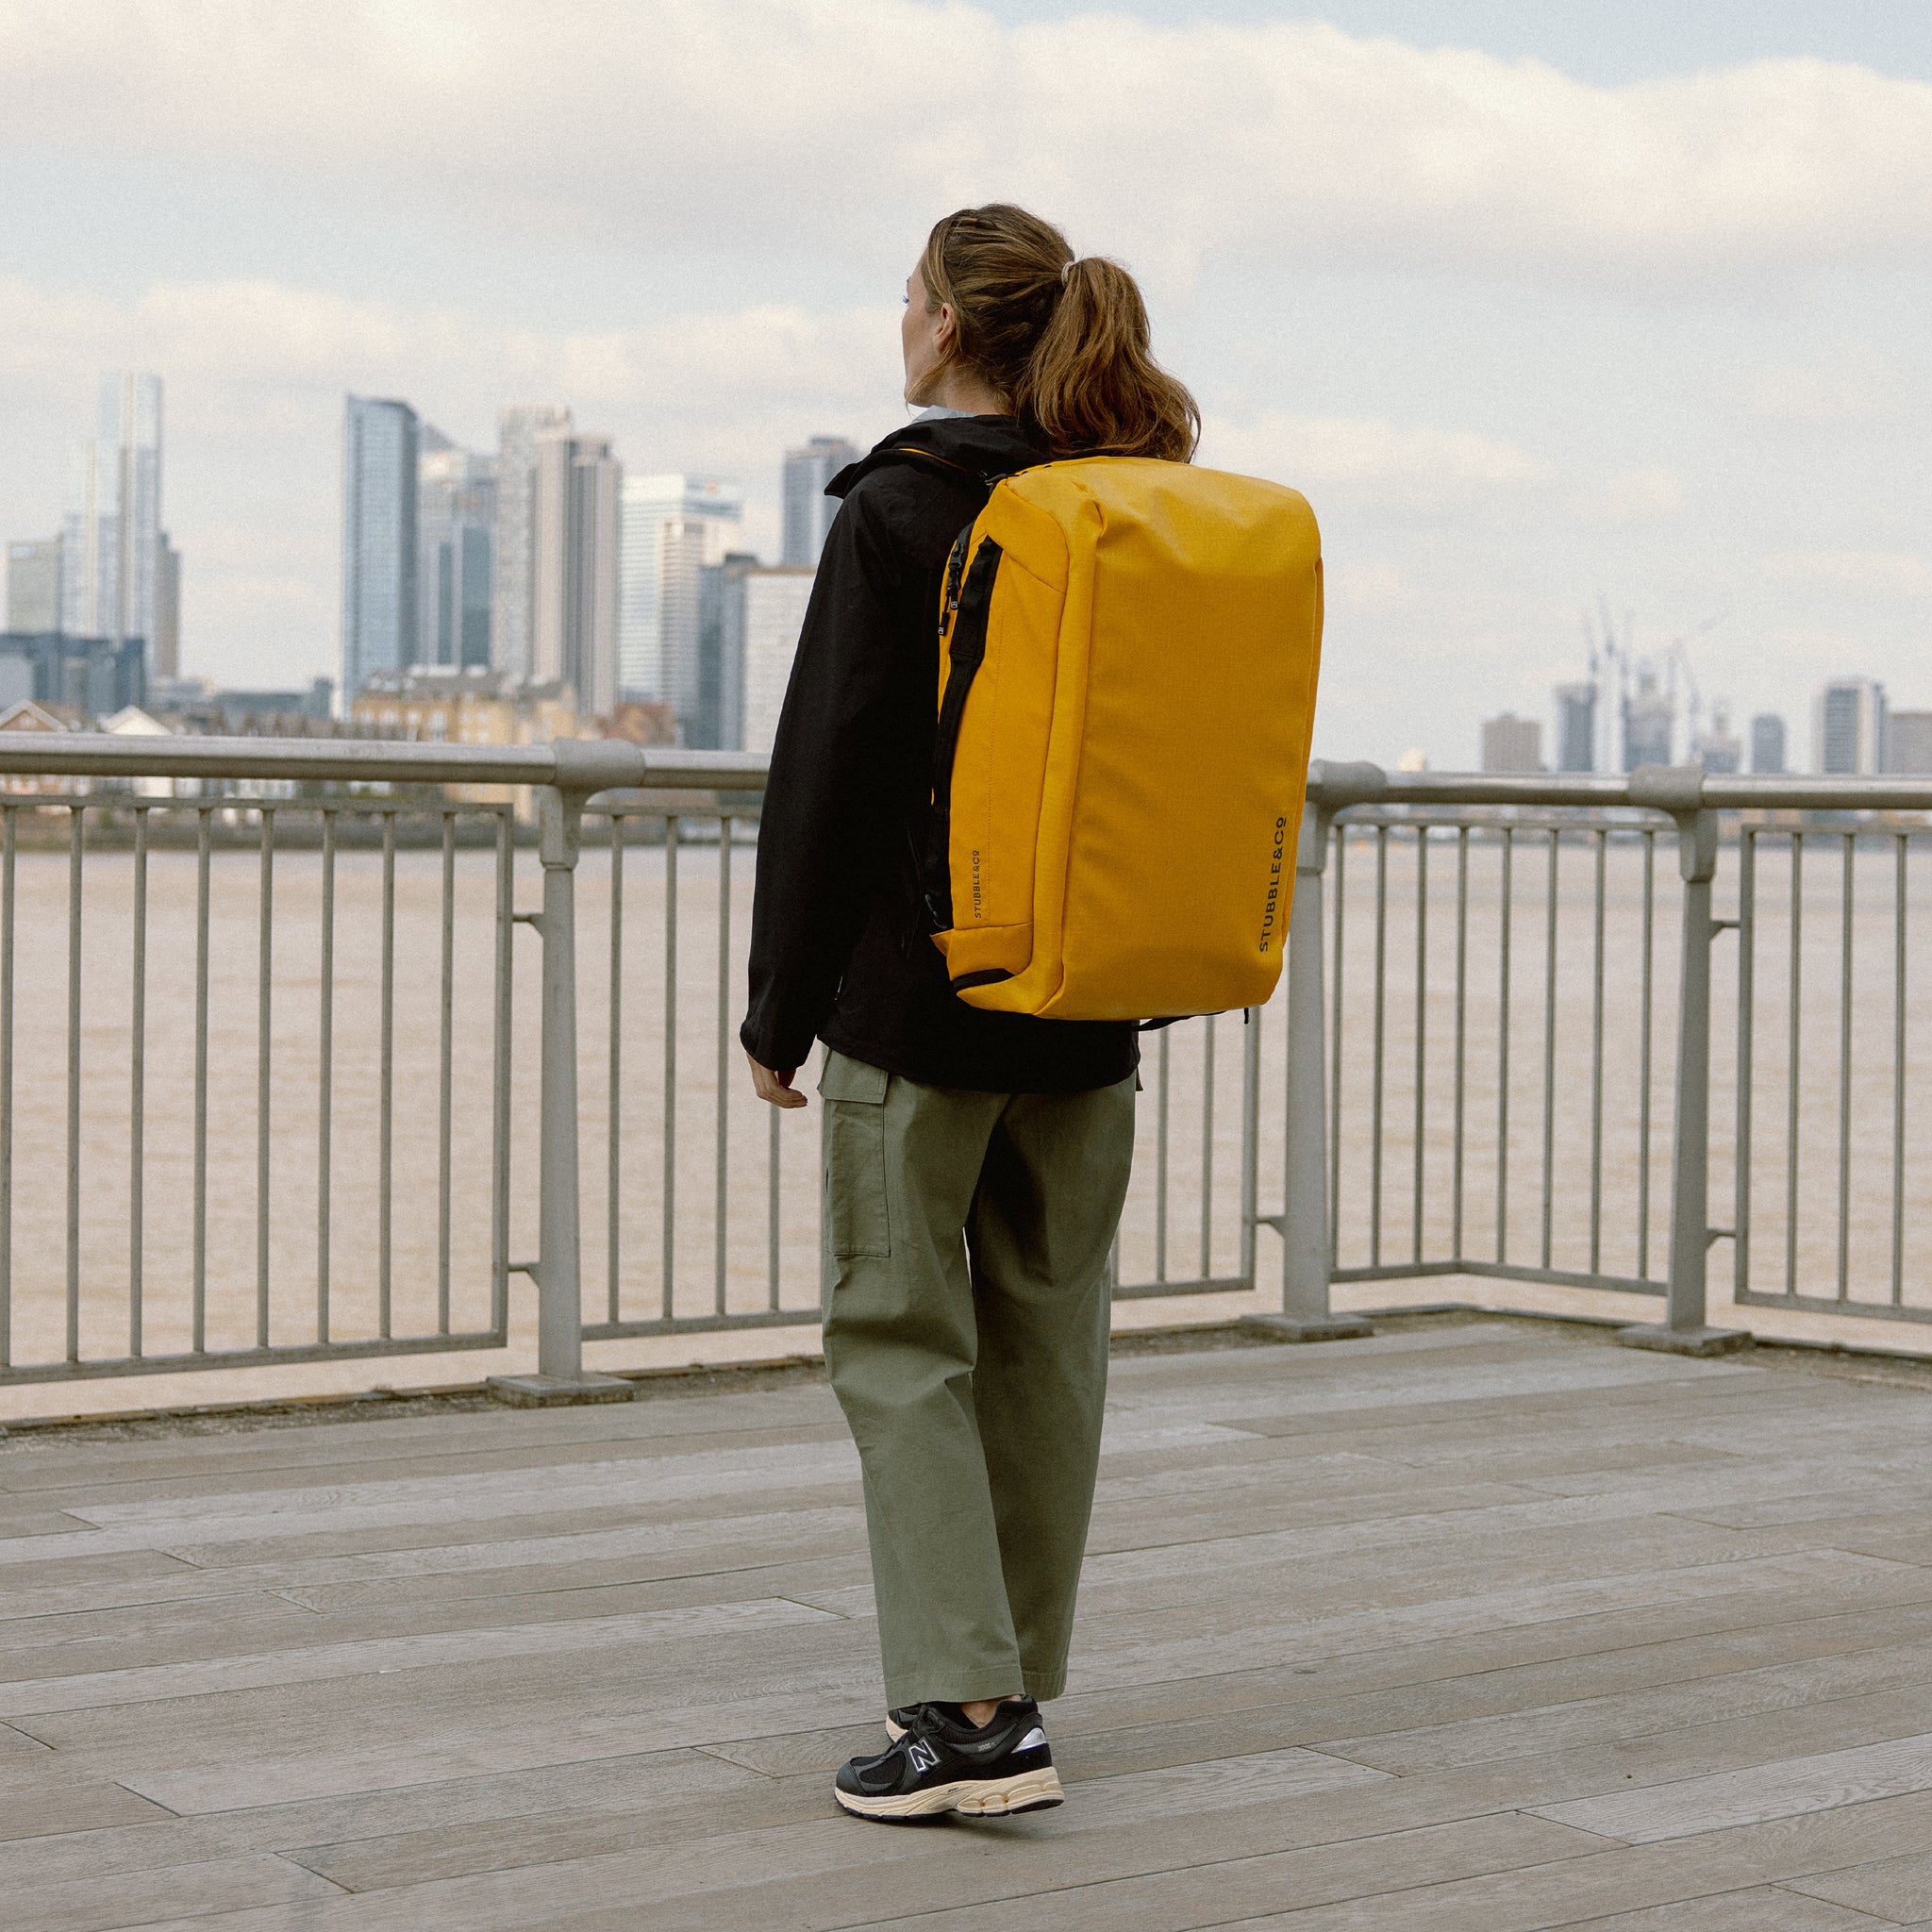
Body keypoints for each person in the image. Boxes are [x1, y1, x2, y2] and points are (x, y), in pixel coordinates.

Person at [741, 203, 1200, 1823]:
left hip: (920, 1012)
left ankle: (969, 1716)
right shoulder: (1118, 507)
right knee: (1046, 1347)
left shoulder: (903, 502)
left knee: (897, 1342)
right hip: (1089, 1013)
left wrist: (776, 1009)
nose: (903, 315)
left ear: (943, 325)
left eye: (909, 292)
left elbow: (830, 771)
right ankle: (1015, 1679)